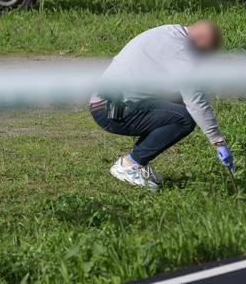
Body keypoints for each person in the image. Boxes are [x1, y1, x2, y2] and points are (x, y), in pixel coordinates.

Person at [89, 21, 234, 191]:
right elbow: (194, 100)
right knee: (184, 119)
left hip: (109, 102)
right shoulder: (181, 51)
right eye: (205, 52)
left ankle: (138, 163)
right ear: (200, 40)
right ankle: (130, 164)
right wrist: (218, 142)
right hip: (111, 111)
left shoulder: (169, 32)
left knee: (176, 105)